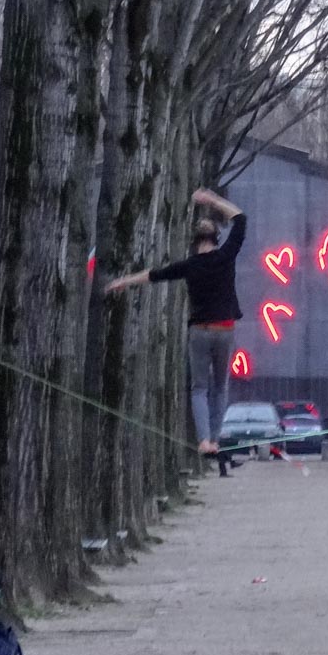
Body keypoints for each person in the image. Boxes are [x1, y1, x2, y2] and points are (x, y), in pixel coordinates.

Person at [106, 188, 246, 467]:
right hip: (224, 329)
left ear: (195, 241)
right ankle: (215, 439)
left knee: (199, 388)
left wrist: (124, 281)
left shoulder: (189, 265)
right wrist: (212, 200)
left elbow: (154, 275)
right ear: (216, 239)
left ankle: (204, 440)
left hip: (199, 331)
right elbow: (241, 219)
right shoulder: (226, 255)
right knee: (220, 387)